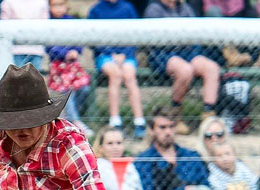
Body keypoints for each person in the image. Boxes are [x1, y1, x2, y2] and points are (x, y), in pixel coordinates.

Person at [143, 0, 222, 135]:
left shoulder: (184, 7)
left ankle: (208, 115)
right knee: (185, 70)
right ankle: (175, 115)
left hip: (188, 52)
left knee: (212, 67)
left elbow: (194, 32)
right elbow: (158, 40)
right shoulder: (154, 9)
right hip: (164, 55)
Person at [88, 0, 146, 138]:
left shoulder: (128, 7)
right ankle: (115, 120)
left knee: (129, 75)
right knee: (116, 74)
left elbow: (135, 35)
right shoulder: (96, 10)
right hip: (105, 56)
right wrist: (111, 53)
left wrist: (124, 54)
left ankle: (139, 121)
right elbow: (92, 38)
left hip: (126, 55)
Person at [46, 0, 92, 137]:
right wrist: (64, 54)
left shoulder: (71, 21)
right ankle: (75, 121)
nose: (59, 8)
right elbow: (49, 47)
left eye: (61, 4)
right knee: (67, 91)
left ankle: (71, 116)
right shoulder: (48, 23)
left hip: (73, 66)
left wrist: (76, 51)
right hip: (59, 66)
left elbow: (78, 39)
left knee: (84, 88)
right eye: (55, 5)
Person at [0, 0, 49, 68]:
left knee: (34, 77)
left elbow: (45, 25)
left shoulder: (42, 2)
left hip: (36, 49)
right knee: (16, 77)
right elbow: (4, 26)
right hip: (15, 50)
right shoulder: (8, 2)